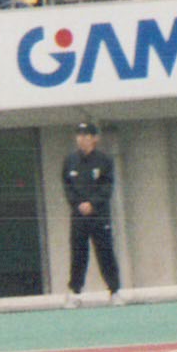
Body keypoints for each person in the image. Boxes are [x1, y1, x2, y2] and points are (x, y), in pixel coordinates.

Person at [63, 122, 121, 301]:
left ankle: (114, 291)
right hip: (79, 216)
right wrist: (78, 204)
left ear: (95, 138)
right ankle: (75, 292)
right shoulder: (70, 161)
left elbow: (107, 187)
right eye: (79, 135)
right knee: (78, 254)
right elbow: (67, 187)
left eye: (86, 135)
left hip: (99, 215)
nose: (82, 139)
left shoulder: (104, 160)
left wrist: (92, 204)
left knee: (105, 252)